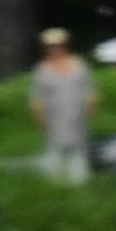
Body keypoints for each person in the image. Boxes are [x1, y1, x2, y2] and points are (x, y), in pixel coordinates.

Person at [29, 29, 94, 185]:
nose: (55, 49)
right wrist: (40, 118)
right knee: (54, 155)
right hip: (53, 120)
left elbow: (90, 92)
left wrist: (88, 110)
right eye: (50, 46)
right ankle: (57, 188)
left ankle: (80, 186)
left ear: (65, 45)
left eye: (58, 45)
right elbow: (36, 99)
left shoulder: (79, 65)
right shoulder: (41, 70)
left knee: (78, 155)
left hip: (77, 118)